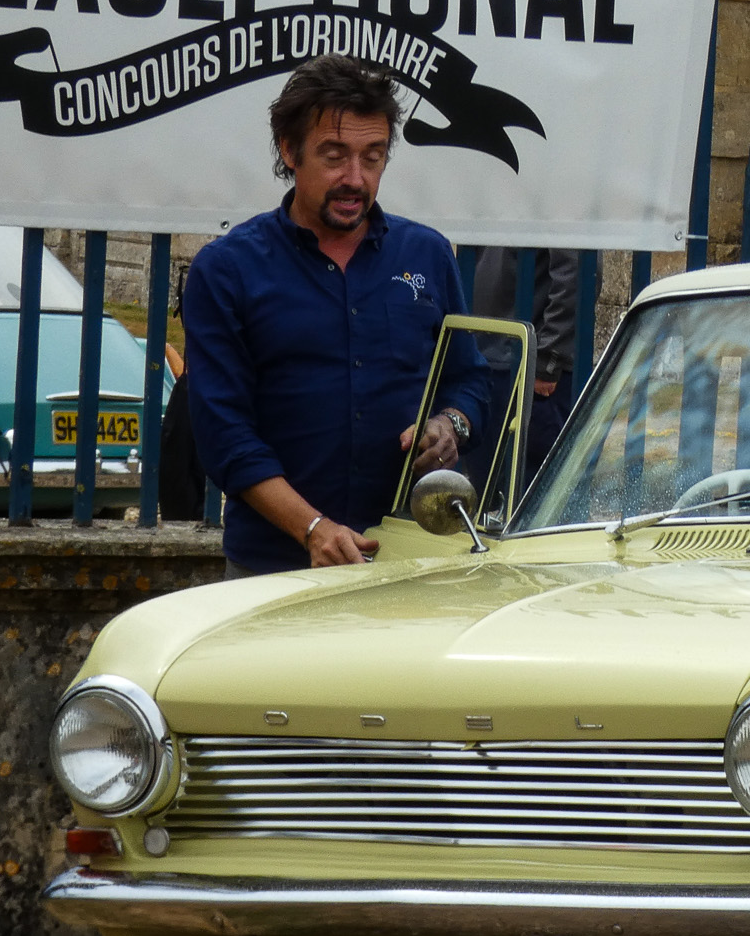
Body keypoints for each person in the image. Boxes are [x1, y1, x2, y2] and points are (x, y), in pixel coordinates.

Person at [183, 55, 488, 578]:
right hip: (274, 568)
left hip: (410, 560)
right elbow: (224, 435)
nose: (355, 179)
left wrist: (449, 426)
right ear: (289, 149)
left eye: (373, 157)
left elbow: (470, 380)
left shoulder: (428, 255)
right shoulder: (227, 270)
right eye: (334, 155)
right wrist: (312, 529)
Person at [471, 247, 580, 482]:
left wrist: (549, 358)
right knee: (487, 490)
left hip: (530, 368)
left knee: (532, 491)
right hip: (489, 356)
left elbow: (577, 270)